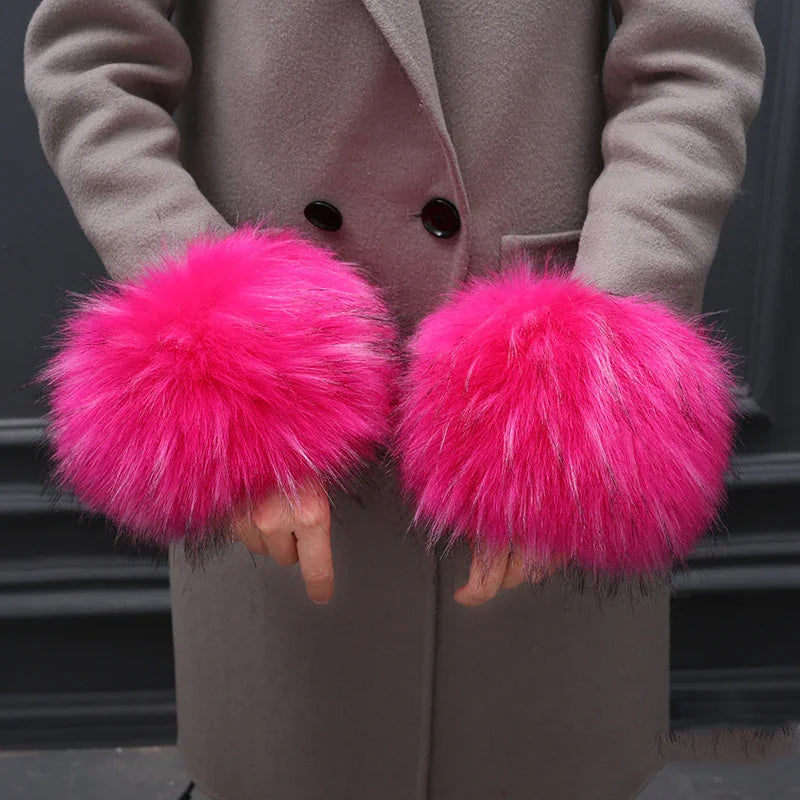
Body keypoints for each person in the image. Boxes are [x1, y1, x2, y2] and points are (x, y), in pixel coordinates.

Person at [23, 1, 772, 798]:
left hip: (531, 419)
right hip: (283, 432)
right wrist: (223, 358)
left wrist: (589, 388)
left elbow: (691, 62)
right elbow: (89, 58)